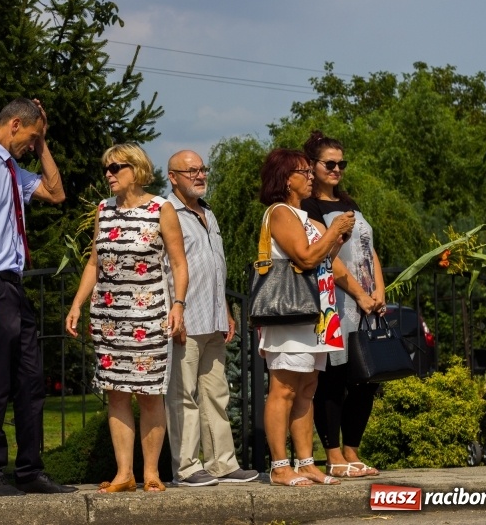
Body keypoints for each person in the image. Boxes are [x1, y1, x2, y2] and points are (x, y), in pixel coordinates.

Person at [0, 98, 75, 497]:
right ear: (15, 124)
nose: (30, 145)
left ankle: (30, 470)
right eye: (31, 137)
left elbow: (56, 194)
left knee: (30, 380)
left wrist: (42, 145)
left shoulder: (12, 168)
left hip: (12, 285)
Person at [65, 143, 188, 493]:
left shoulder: (160, 208)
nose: (108, 174)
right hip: (108, 317)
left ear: (136, 169)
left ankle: (151, 472)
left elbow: (179, 263)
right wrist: (77, 304)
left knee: (149, 394)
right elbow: (94, 262)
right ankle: (124, 474)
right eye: (106, 168)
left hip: (150, 316)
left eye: (115, 167)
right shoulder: (104, 210)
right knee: (117, 393)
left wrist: (178, 305)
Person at [256, 148, 354, 487]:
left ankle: (306, 461)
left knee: (307, 389)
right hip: (290, 313)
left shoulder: (306, 217)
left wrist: (337, 238)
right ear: (286, 179)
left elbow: (325, 259)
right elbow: (305, 257)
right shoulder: (280, 212)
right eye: (303, 171)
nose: (311, 175)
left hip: (318, 313)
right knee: (283, 389)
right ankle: (280, 465)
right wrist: (331, 231)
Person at [163, 150, 259, 487]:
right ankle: (187, 467)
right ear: (172, 176)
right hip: (185, 318)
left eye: (203, 169)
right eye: (191, 171)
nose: (200, 175)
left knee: (216, 394)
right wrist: (174, 311)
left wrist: (226, 309)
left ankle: (221, 463)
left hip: (214, 317)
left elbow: (216, 266)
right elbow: (167, 270)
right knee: (183, 395)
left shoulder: (208, 213)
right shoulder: (166, 213)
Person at [302, 131, 385, 478]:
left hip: (367, 304)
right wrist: (360, 295)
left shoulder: (351, 205)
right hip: (337, 303)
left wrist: (379, 291)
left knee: (366, 379)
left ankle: (352, 450)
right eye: (330, 164)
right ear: (313, 166)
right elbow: (327, 259)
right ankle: (333, 455)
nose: (337, 169)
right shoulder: (310, 208)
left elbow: (370, 252)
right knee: (334, 380)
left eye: (341, 164)